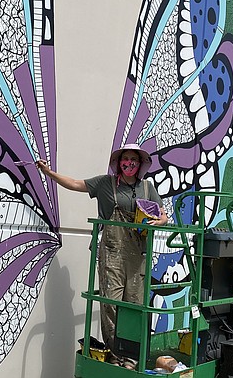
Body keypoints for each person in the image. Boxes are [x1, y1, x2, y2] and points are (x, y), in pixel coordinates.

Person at [36, 143, 168, 368]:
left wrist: (161, 221)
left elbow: (162, 213)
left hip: (138, 257)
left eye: (133, 159)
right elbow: (77, 184)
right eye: (125, 159)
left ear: (140, 164)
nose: (129, 163)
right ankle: (117, 356)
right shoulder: (105, 184)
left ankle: (133, 358)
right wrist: (49, 173)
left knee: (135, 306)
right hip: (112, 255)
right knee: (111, 305)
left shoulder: (147, 188)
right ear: (118, 162)